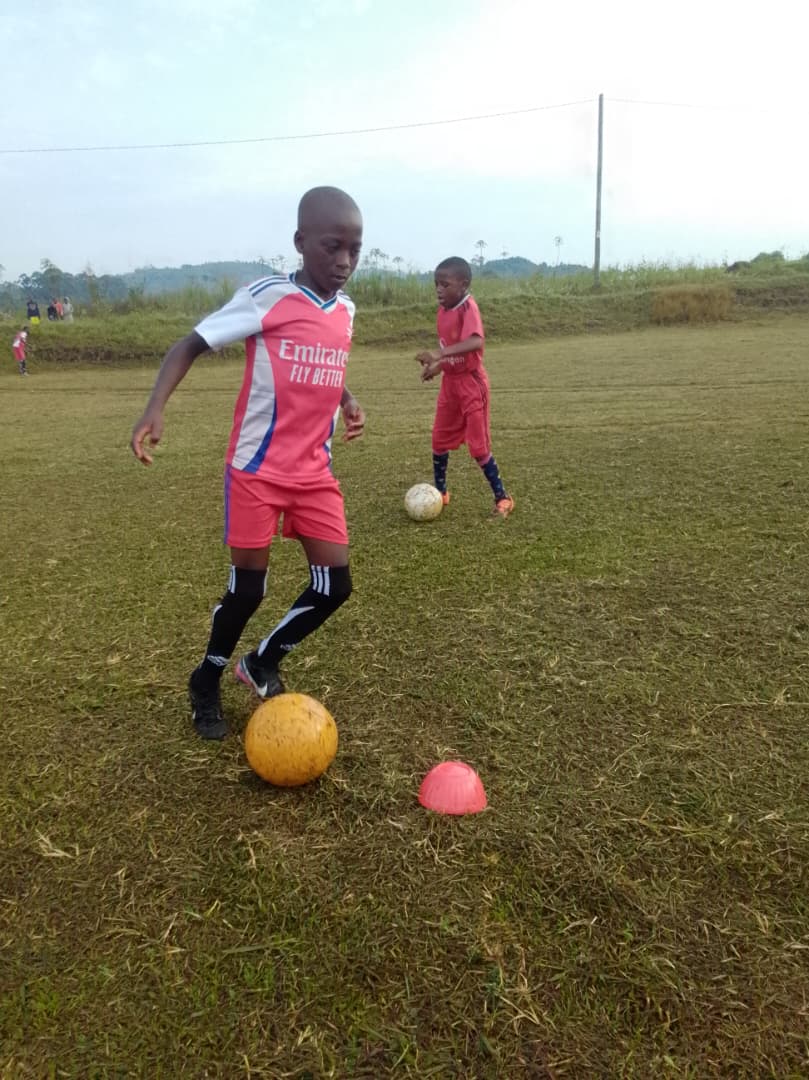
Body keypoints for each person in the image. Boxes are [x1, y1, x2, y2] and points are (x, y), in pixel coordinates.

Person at [130, 186, 365, 740]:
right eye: (333, 246)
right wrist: (154, 410)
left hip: (315, 473)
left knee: (335, 586)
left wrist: (347, 399)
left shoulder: (347, 310)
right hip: (256, 472)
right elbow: (188, 344)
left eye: (355, 249)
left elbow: (321, 363)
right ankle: (205, 679)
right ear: (301, 242)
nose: (344, 262)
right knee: (248, 591)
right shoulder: (265, 298)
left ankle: (260, 662)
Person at [415, 256, 514, 518]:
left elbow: (475, 342)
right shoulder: (443, 311)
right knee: (439, 439)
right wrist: (438, 368)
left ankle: (503, 498)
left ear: (464, 284)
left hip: (471, 384)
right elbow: (451, 353)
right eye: (436, 284)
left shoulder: (468, 307)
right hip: (451, 384)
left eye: (445, 284)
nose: (438, 289)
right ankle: (440, 493)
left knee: (479, 447)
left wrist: (438, 354)